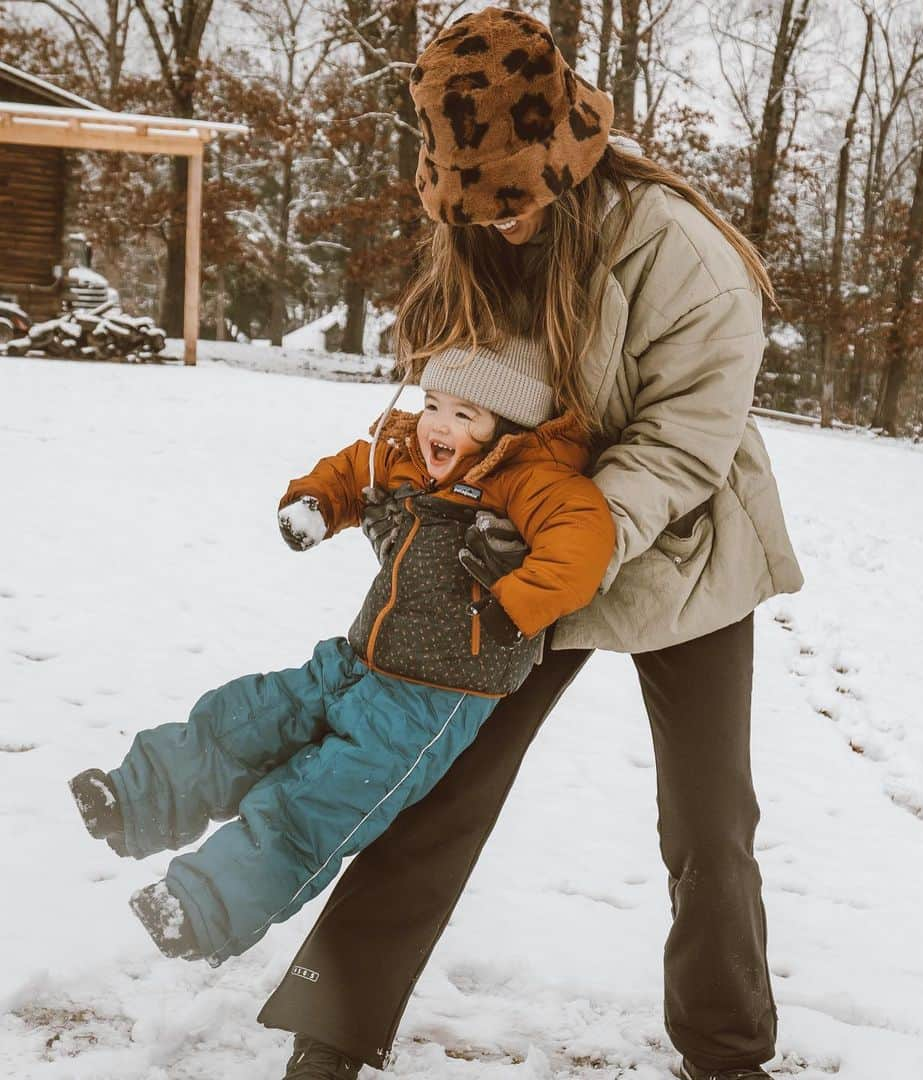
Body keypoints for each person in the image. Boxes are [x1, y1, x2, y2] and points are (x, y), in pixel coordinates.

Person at [258, 7, 805, 1080]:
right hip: (509, 543)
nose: (497, 224)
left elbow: (684, 442)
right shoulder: (472, 237)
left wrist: (575, 545)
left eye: (512, 199)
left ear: (565, 156)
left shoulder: (685, 255)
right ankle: (330, 1034)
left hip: (681, 549)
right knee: (438, 773)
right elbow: (451, 402)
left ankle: (729, 1053)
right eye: (476, 203)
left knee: (707, 820)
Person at [67, 335, 615, 968]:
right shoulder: (409, 452)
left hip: (428, 703)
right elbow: (356, 467)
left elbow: (583, 541)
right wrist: (317, 504)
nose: (438, 424)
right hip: (355, 660)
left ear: (506, 431)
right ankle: (135, 799)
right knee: (245, 715)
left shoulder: (532, 481)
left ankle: (202, 908)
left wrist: (513, 604)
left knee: (316, 800)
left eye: (464, 415)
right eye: (433, 403)